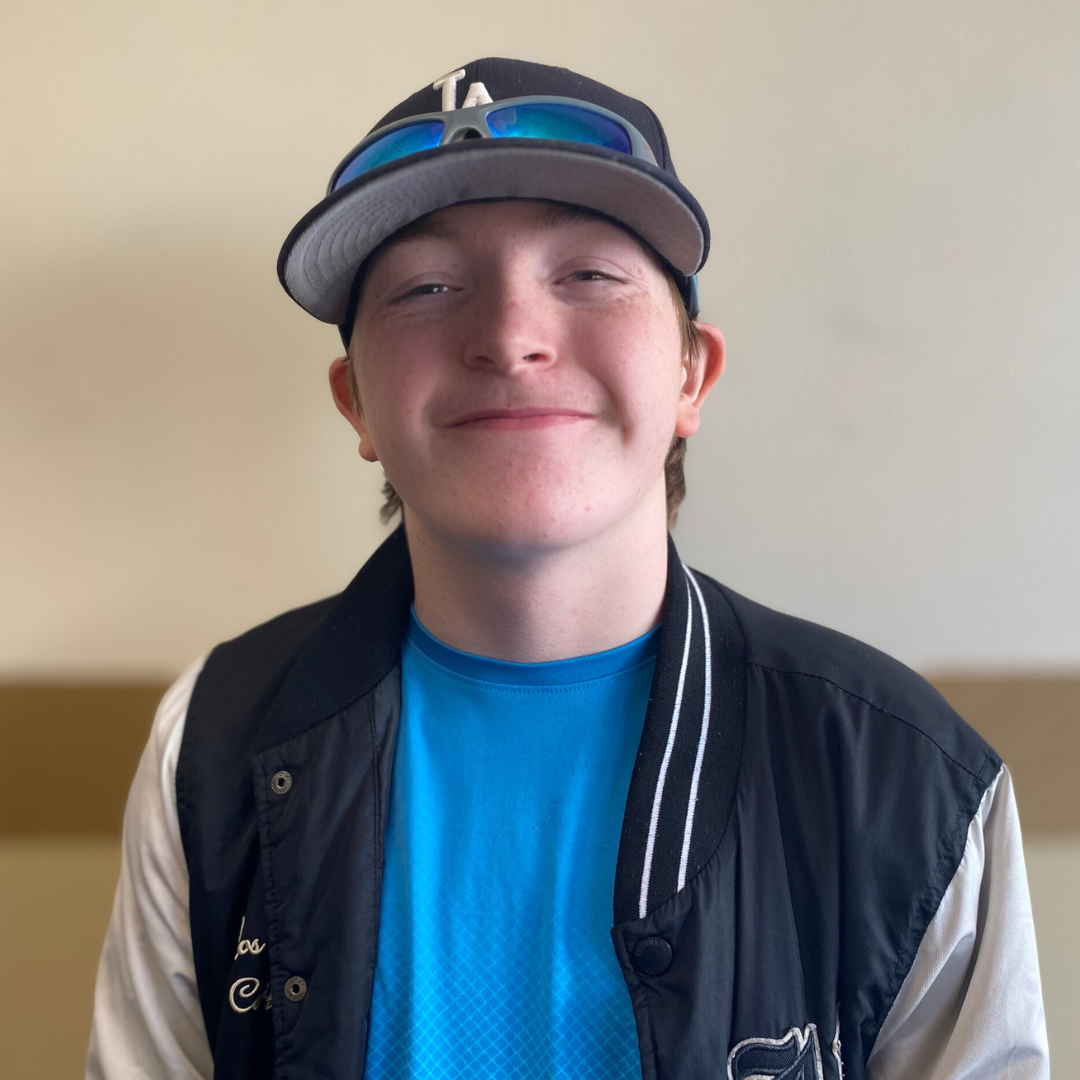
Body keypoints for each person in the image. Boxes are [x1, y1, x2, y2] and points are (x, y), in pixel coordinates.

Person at [87, 58, 1049, 1080]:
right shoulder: (215, 738)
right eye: (426, 287)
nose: (510, 337)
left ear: (692, 374)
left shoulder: (905, 776)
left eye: (588, 275)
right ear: (356, 402)